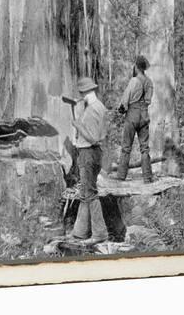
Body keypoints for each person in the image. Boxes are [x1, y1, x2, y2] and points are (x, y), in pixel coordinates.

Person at [71, 77, 126, 243]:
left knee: (90, 193)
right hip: (93, 153)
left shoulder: (93, 109)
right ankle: (80, 232)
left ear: (84, 93)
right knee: (86, 191)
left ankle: (99, 234)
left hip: (88, 152)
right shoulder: (99, 106)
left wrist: (78, 126)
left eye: (81, 94)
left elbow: (94, 138)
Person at [116, 55, 154, 183]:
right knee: (145, 147)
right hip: (144, 115)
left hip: (132, 114)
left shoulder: (133, 81)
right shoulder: (149, 82)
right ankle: (147, 177)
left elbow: (125, 99)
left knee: (126, 147)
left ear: (137, 67)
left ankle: (121, 176)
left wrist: (122, 108)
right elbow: (148, 101)